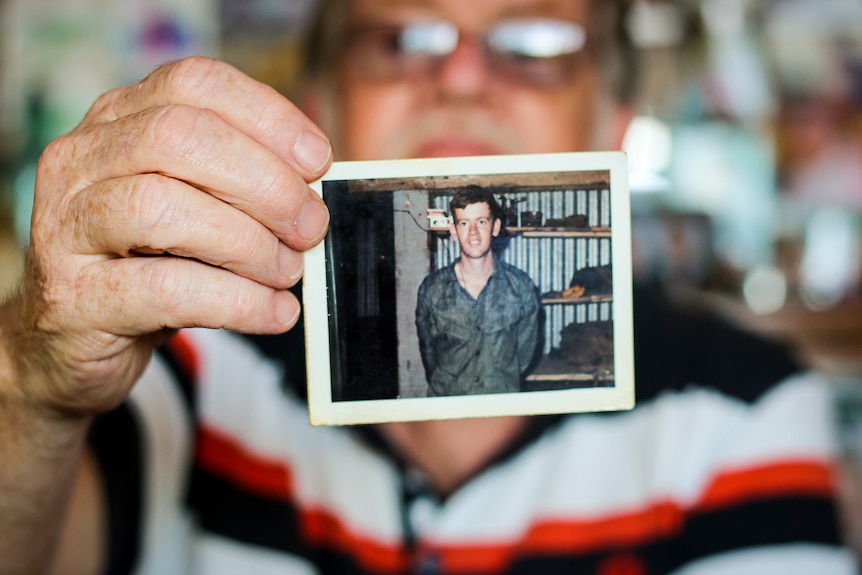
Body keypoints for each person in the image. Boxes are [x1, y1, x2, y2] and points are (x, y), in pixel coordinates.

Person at [0, 0, 855, 573]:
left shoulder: (744, 407)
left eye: (535, 48)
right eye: (402, 38)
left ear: (618, 122)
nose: (460, 79)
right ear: (319, 106)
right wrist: (30, 385)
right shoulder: (184, 362)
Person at [415, 186, 541, 396]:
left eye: (481, 221)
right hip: (448, 403)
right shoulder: (432, 289)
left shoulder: (520, 287)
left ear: (495, 227)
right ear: (453, 231)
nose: (473, 232)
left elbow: (525, 355)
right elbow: (428, 353)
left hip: (501, 402)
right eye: (464, 223)